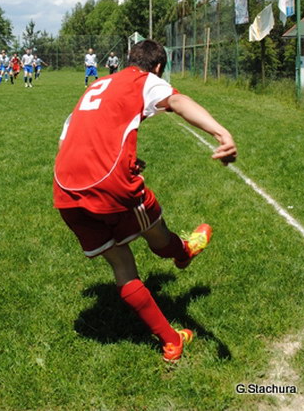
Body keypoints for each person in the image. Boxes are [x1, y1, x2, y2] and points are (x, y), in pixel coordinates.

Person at [53, 39, 237, 363]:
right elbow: (177, 101)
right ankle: (184, 252)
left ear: (128, 59)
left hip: (65, 190)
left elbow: (68, 137)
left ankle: (171, 342)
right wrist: (221, 133)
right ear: (158, 67)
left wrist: (118, 157)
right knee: (157, 232)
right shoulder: (143, 79)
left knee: (122, 265)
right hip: (109, 186)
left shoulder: (95, 86)